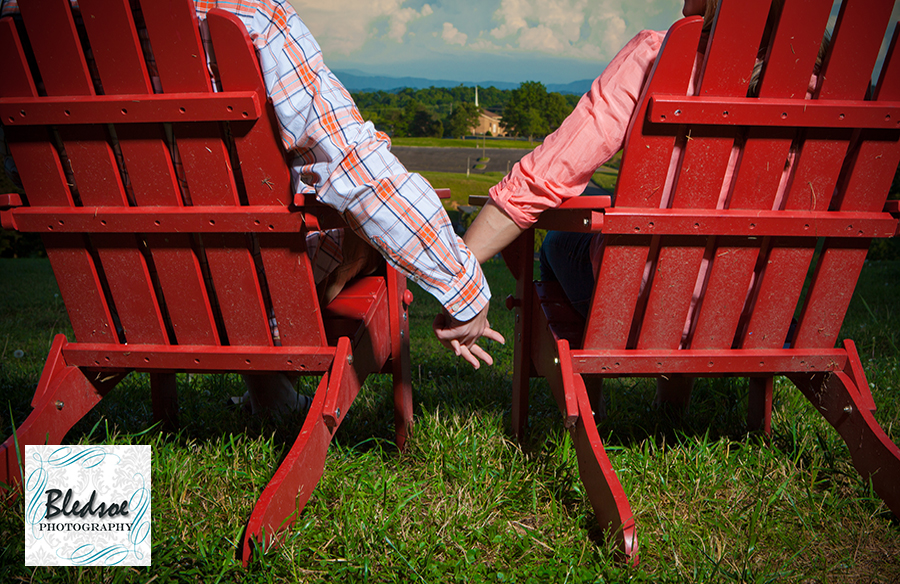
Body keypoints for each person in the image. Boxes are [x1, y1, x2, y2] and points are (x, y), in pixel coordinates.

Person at [0, 0, 504, 414]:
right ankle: (274, 367)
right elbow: (355, 166)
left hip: (120, 293)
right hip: (247, 290)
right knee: (355, 229)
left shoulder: (18, 24)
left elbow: (25, 172)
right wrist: (461, 285)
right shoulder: (245, 14)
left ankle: (270, 395)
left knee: (228, 233)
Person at [459, 0, 819, 407]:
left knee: (560, 239)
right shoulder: (830, 84)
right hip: (755, 311)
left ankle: (588, 400)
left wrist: (455, 276)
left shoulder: (657, 56)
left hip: (638, 309)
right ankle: (671, 408)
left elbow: (547, 174)